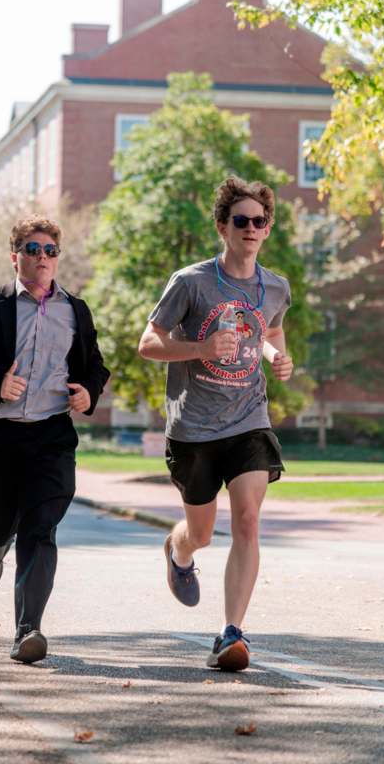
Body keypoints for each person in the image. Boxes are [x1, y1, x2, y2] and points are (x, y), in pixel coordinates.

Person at [0, 215, 109, 664]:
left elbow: (95, 366)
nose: (42, 258)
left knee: (41, 528)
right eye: (33, 249)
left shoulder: (77, 310)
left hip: (50, 435)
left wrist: (88, 392)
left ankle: (28, 628)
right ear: (15, 256)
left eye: (50, 251)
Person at [138, 176, 293, 672]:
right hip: (194, 428)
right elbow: (148, 342)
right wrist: (202, 348)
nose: (252, 228)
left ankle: (231, 633)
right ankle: (179, 549)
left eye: (260, 221)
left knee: (247, 518)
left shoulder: (276, 286)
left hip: (249, 418)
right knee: (202, 532)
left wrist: (277, 357)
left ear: (267, 230)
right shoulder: (191, 282)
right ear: (223, 228)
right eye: (242, 220)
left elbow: (269, 328)